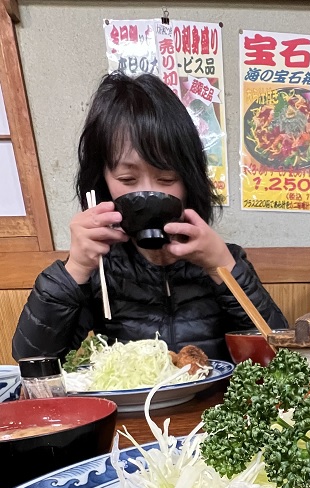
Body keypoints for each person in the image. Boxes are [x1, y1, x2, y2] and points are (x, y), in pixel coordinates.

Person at [12, 72, 287, 362]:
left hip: (214, 405)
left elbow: (277, 354)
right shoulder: (102, 269)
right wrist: (75, 270)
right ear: (103, 181)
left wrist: (224, 268)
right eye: (128, 178)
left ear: (189, 179)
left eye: (166, 178)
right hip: (129, 406)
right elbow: (32, 361)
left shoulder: (220, 259)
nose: (148, 194)